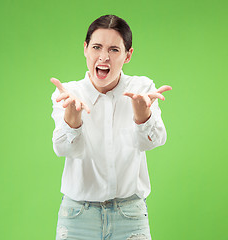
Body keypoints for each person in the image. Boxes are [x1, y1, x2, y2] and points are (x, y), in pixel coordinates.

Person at [50, 14, 172, 240]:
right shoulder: (68, 93)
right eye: (96, 47)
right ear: (85, 49)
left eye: (114, 50)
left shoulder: (142, 88)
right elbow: (64, 150)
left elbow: (153, 142)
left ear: (128, 55)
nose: (104, 57)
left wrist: (142, 115)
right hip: (77, 216)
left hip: (129, 215)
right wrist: (72, 119)